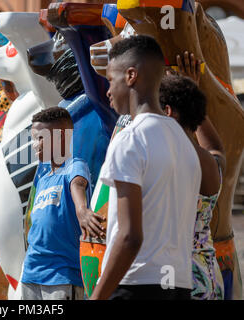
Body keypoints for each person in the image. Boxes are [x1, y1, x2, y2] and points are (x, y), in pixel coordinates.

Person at [90, 35, 201, 300]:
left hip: (135, 284)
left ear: (130, 76)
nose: (107, 91)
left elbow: (130, 237)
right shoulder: (184, 142)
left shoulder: (130, 138)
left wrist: (97, 297)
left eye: (110, 80)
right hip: (180, 285)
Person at [161, 52, 225, 300]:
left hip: (172, 281)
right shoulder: (209, 163)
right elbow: (216, 147)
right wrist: (190, 94)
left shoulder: (161, 162)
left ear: (167, 112)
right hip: (207, 277)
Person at [21, 106, 91, 300]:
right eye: (34, 139)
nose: (35, 145)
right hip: (31, 273)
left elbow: (77, 183)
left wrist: (82, 209)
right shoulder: (42, 177)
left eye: (40, 138)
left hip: (62, 274)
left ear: (60, 136)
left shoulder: (74, 166)